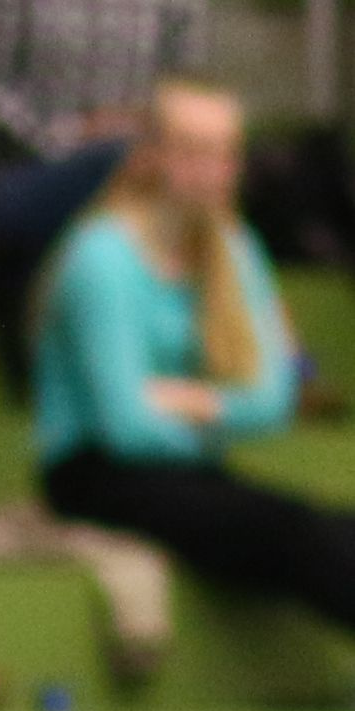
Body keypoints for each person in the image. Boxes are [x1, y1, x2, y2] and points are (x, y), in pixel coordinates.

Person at [37, 81, 355, 633]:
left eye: (223, 154)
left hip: (190, 471)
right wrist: (218, 415)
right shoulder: (101, 256)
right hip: (94, 477)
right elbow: (124, 428)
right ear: (151, 154)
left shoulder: (235, 249)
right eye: (191, 150)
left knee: (336, 528)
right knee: (296, 534)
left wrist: (192, 403)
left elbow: (275, 399)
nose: (209, 171)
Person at [0, 0, 206, 372]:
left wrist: (140, 132)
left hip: (137, 166)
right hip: (30, 170)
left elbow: (189, 85)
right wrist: (61, 136)